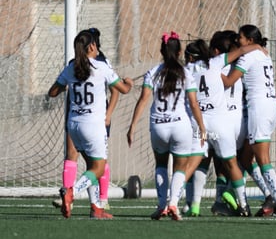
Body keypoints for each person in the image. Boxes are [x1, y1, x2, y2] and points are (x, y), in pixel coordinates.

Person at [48, 29, 133, 219]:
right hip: (93, 125)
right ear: (92, 46)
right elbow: (124, 90)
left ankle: (96, 209)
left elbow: (52, 92)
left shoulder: (71, 68)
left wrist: (63, 85)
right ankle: (71, 192)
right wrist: (128, 82)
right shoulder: (101, 67)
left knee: (90, 166)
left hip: (74, 124)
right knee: (99, 168)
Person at [127, 31, 206, 221]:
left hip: (158, 126)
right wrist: (202, 127)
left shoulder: (153, 73)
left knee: (161, 164)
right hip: (181, 127)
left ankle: (162, 205)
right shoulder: (186, 73)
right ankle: (173, 204)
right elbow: (194, 104)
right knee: (180, 168)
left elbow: (144, 99)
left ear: (162, 51)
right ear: (179, 52)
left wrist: (132, 126)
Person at [184, 37, 263, 217]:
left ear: (190, 57)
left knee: (200, 162)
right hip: (221, 122)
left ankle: (193, 206)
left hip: (200, 123)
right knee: (231, 163)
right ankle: (243, 205)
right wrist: (257, 45)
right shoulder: (216, 62)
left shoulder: (187, 70)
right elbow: (241, 51)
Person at [221, 24, 276, 218]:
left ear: (250, 41)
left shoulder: (248, 56)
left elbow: (228, 81)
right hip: (270, 107)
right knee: (245, 158)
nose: (238, 41)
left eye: (241, 38)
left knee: (263, 159)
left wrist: (209, 69)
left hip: (259, 109)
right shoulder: (263, 54)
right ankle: (270, 196)